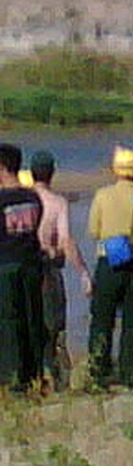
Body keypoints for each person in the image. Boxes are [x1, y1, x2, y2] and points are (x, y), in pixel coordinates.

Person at [87, 147, 133, 389]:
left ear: (115, 171)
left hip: (108, 263)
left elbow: (93, 231)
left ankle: (99, 370)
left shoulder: (101, 195)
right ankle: (130, 372)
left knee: (102, 319)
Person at [29, 151, 92, 392]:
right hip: (48, 272)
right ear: (52, 173)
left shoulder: (22, 200)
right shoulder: (57, 203)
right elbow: (66, 241)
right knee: (53, 328)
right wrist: (83, 272)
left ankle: (29, 378)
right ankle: (56, 379)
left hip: (25, 267)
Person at [0, 143, 45, 389]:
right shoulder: (33, 197)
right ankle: (33, 374)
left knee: (9, 322)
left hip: (7, 265)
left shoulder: (2, 199)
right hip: (31, 264)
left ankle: (11, 377)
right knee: (32, 319)